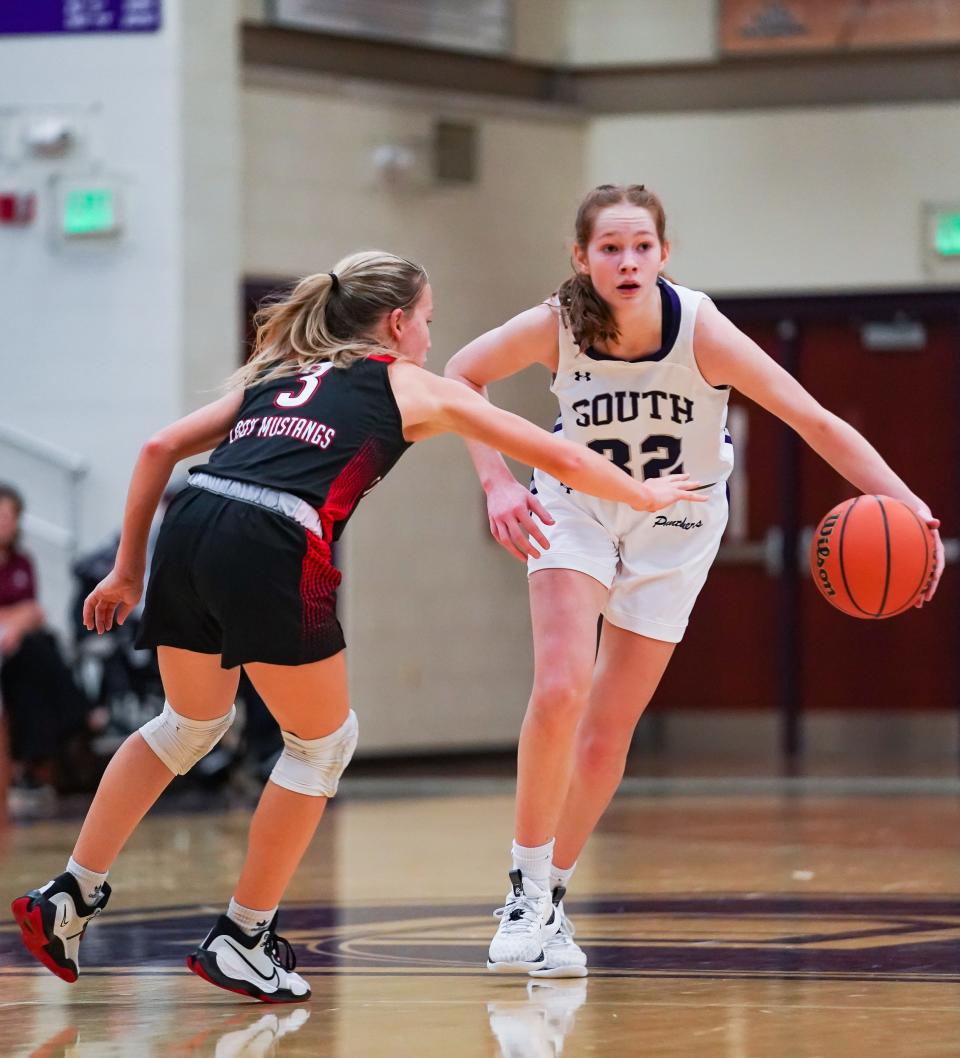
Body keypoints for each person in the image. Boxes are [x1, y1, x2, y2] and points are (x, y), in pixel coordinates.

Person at [10, 249, 704, 1003]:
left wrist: (126, 571)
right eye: (429, 322)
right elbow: (555, 450)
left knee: (186, 724)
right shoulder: (408, 383)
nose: (433, 341)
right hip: (272, 537)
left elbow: (156, 449)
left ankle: (71, 893)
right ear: (398, 323)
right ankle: (243, 936)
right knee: (323, 745)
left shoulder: (276, 373)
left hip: (192, 518)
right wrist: (638, 493)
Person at [444, 184, 945, 978]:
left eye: (642, 246)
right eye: (610, 247)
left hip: (677, 523)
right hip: (575, 507)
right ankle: (523, 886)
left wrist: (909, 506)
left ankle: (556, 901)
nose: (628, 261)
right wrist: (498, 483)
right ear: (582, 258)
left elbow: (815, 420)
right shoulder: (557, 324)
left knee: (610, 731)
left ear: (665, 254)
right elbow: (459, 378)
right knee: (560, 689)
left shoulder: (702, 330)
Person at [0, 483, 92, 808]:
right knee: (39, 652)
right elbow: (25, 611)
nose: (5, 523)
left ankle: (37, 760)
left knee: (38, 654)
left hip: (18, 648)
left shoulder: (22, 561)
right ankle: (79, 714)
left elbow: (35, 611)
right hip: (10, 645)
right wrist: (16, 619)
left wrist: (17, 622)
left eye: (10, 516)